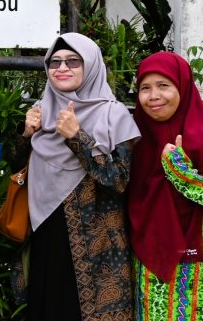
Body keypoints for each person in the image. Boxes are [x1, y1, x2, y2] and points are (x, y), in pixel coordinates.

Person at [20, 32, 139, 321]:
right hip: (46, 230)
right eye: (55, 62)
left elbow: (119, 180)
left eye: (73, 61)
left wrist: (77, 137)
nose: (62, 68)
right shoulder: (40, 111)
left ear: (91, 65)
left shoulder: (115, 115)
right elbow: (19, 168)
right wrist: (26, 135)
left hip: (97, 242)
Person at [128, 52, 203, 321]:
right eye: (145, 88)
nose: (153, 95)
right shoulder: (136, 140)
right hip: (149, 265)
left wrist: (179, 171)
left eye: (164, 86)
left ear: (183, 87)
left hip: (199, 269)